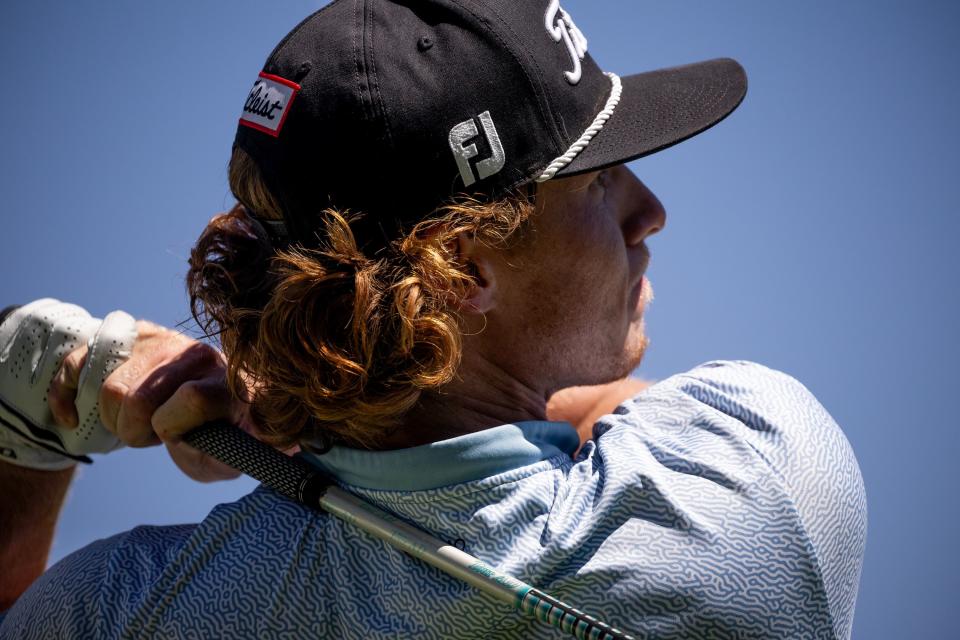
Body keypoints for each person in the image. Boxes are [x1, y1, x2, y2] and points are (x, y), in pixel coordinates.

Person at [0, 1, 867, 638]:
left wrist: (32, 408)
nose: (651, 210)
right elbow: (615, 414)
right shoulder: (758, 486)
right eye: (599, 181)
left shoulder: (119, 610)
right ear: (461, 271)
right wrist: (296, 398)